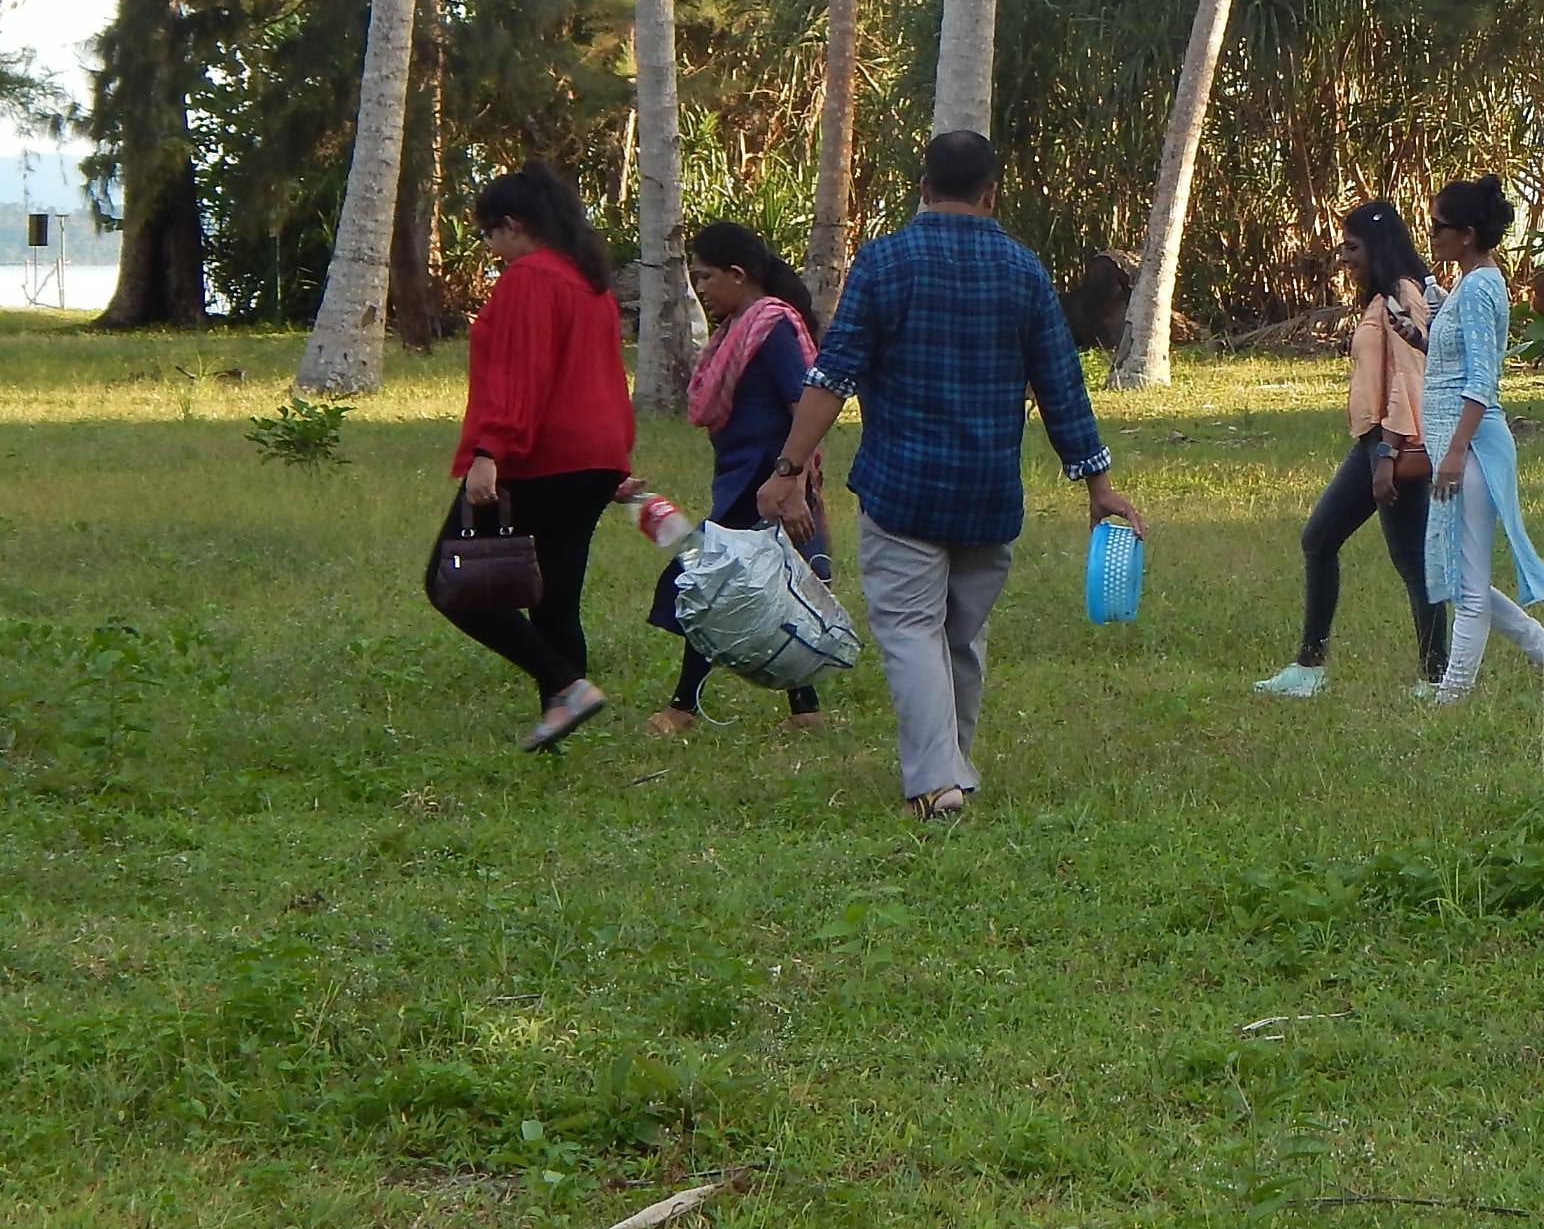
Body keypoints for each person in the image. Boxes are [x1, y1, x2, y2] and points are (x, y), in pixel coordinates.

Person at [760, 130, 1145, 820]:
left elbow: (832, 376)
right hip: (988, 495)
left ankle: (937, 781)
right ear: (990, 193)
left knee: (911, 630)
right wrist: (1098, 484)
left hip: (902, 488)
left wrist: (788, 468)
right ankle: (953, 767)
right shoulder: (1022, 269)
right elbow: (1060, 384)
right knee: (960, 637)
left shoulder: (884, 262)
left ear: (923, 188)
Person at [438, 162, 636, 751]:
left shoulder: (529, 278)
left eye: (489, 233)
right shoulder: (590, 284)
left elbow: (520, 374)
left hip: (541, 456)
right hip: (597, 457)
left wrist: (488, 452)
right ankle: (559, 726)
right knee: (554, 597)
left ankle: (566, 686)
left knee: (453, 585)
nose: (490, 247)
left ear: (514, 225)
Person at [644, 221, 831, 735]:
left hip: (765, 482)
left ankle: (682, 709)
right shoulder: (738, 329)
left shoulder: (770, 327)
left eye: (707, 277)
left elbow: (803, 406)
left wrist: (794, 486)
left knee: (714, 589)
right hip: (742, 478)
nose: (701, 288)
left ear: (738, 273)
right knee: (763, 591)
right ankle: (806, 710)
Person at [1254, 200, 1447, 698]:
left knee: (1411, 563)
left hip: (1390, 447)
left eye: (1353, 247)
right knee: (1323, 541)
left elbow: (1409, 380)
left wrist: (1387, 455)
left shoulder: (1401, 295)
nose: (1344, 257)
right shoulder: (1382, 297)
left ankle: (1435, 677)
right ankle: (1311, 667)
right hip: (1372, 444)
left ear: (1378, 247)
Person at [1418, 173, 1544, 703]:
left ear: (1466, 234)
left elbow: (1481, 380)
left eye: (1439, 227)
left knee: (1467, 586)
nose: (1432, 235)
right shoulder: (1468, 285)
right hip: (1456, 445)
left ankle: (1453, 696)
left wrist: (1454, 452)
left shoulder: (1480, 287)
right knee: (1459, 574)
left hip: (1470, 448)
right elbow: (1455, 358)